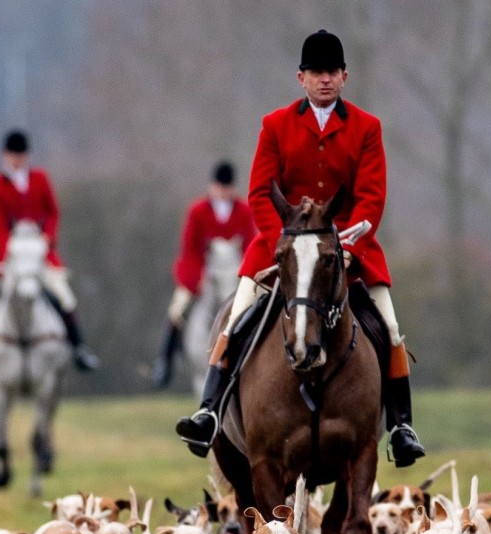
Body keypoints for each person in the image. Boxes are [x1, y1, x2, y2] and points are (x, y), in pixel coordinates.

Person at [175, 29, 426, 467]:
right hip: (281, 251)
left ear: (345, 76)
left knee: (389, 326)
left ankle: (402, 426)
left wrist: (347, 249)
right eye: (316, 72)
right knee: (234, 320)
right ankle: (209, 411)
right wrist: (285, 246)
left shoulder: (368, 128)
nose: (324, 79)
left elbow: (371, 198)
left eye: (332, 72)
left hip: (348, 252)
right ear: (301, 78)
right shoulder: (275, 125)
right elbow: (259, 193)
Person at [0, 129, 99, 378]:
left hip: (39, 254)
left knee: (65, 296)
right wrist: (12, 247)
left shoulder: (41, 179)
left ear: (27, 156)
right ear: (5, 156)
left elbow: (52, 212)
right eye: (13, 155)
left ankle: (79, 349)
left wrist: (47, 239)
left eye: (21, 155)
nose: (17, 160)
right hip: (4, 256)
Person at [151, 161, 257, 388]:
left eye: (226, 187)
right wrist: (194, 278)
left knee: (259, 301)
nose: (223, 191)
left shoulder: (243, 211)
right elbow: (189, 248)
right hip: (203, 272)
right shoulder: (197, 211)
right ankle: (165, 361)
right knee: (178, 307)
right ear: (213, 186)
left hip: (234, 271)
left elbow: (250, 245)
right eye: (220, 187)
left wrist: (247, 276)